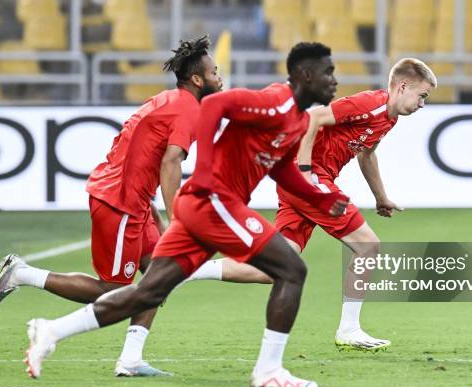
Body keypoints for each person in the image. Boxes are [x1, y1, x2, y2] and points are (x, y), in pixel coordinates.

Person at [23, 42, 348, 387]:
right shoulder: (275, 101)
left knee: (148, 292)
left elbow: (282, 169)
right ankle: (269, 370)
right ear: (305, 75)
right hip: (214, 202)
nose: (335, 80)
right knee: (292, 270)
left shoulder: (298, 120)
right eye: (328, 72)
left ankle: (51, 330)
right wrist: (206, 172)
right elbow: (212, 104)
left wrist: (320, 197)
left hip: (205, 206)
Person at [0, 35, 222, 377]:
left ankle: (131, 360)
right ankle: (23, 274)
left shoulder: (167, 100)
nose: (220, 77)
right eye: (215, 72)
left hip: (134, 203)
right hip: (120, 204)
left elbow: (142, 155)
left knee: (160, 279)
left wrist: (152, 211)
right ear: (198, 79)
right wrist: (177, 221)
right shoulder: (189, 109)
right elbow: (170, 163)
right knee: (114, 290)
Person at [186, 58, 437, 351]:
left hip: (308, 181)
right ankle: (349, 329)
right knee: (368, 246)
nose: (422, 104)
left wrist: (380, 197)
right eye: (422, 96)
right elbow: (316, 117)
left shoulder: (388, 118)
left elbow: (366, 154)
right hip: (309, 177)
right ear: (403, 86)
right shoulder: (371, 103)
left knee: (273, 268)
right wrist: (304, 170)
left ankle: (187, 270)